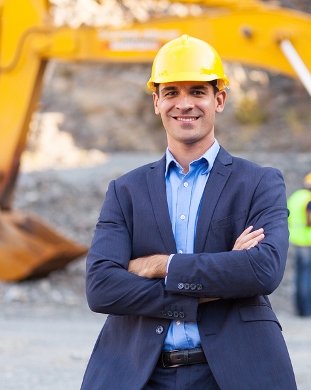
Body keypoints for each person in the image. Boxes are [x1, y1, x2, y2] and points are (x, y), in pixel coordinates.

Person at [81, 35, 297, 390]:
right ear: (156, 101)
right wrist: (221, 274)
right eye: (171, 93)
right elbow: (101, 288)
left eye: (197, 91)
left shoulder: (259, 182)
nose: (184, 104)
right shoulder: (126, 191)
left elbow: (263, 270)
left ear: (219, 99)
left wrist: (161, 265)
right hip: (140, 374)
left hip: (233, 373)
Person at [287, 172, 311, 317]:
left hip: (296, 240)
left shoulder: (296, 197)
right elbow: (309, 221)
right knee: (308, 277)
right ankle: (310, 311)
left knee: (299, 277)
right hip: (309, 242)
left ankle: (300, 311)